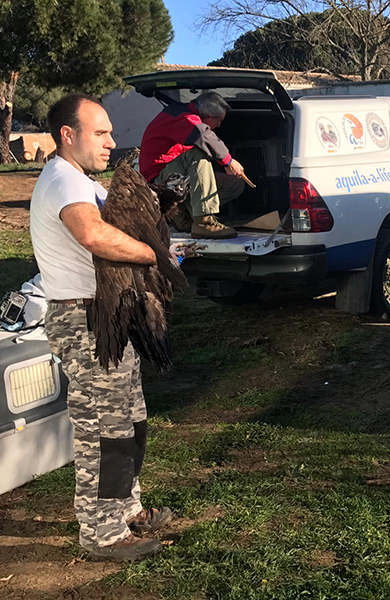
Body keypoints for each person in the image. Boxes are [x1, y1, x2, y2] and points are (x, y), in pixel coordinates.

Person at [30, 94, 172, 561]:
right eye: (101, 132)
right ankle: (102, 534)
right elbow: (92, 234)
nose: (112, 141)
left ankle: (126, 509)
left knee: (130, 420)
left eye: (111, 131)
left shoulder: (82, 180)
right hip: (83, 320)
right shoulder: (63, 181)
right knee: (103, 431)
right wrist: (154, 256)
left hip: (109, 317)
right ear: (68, 135)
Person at [139, 91, 246, 240]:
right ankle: (203, 222)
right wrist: (228, 161)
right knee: (198, 154)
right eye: (219, 120)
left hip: (177, 177)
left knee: (235, 184)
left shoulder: (185, 115)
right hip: (159, 179)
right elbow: (203, 135)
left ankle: (184, 216)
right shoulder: (183, 117)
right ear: (208, 116)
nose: (219, 125)